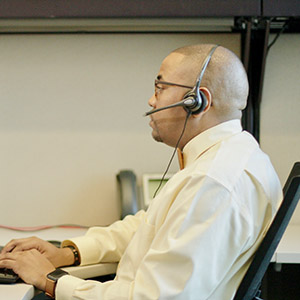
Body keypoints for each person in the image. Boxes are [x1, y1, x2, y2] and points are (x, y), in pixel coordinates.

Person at [0, 44, 282, 300]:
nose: (151, 100)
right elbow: (149, 226)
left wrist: (48, 280)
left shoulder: (213, 182)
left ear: (197, 101)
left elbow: (153, 299)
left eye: (160, 88)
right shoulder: (235, 156)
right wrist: (67, 253)